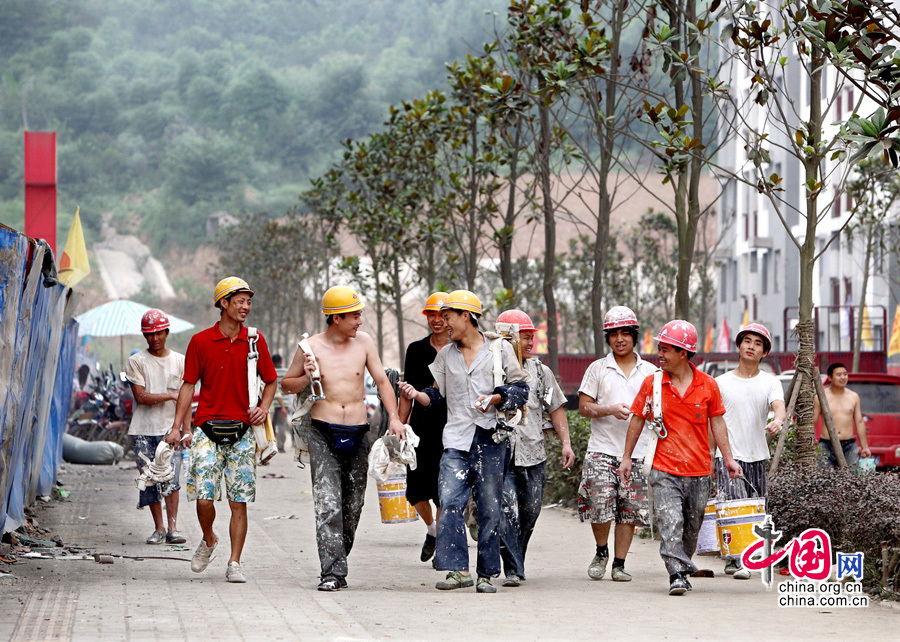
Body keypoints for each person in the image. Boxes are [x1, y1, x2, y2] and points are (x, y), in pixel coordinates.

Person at [398, 290, 529, 594]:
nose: (443, 324)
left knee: (488, 506)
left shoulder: (499, 351)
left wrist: (498, 397)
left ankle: (486, 573)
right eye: (441, 318)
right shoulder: (445, 356)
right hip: (455, 439)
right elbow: (436, 393)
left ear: (466, 316)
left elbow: (521, 389)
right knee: (450, 501)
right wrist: (417, 396)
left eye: (448, 317)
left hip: (490, 437)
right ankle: (457, 570)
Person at [282, 285, 405, 592]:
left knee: (352, 506)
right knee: (328, 505)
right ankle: (332, 573)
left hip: (359, 433)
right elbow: (287, 384)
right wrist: (308, 377)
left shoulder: (363, 343)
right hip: (323, 432)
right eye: (354, 316)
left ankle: (338, 554)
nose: (359, 321)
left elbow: (381, 381)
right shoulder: (309, 348)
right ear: (336, 318)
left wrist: (395, 418)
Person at [617, 320, 742, 596]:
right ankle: (676, 574)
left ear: (683, 353)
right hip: (664, 469)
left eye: (666, 350)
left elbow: (718, 424)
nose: (659, 355)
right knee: (670, 521)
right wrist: (627, 457)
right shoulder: (653, 384)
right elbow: (637, 420)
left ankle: (683, 566)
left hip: (698, 471)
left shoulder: (708, 385)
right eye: (659, 349)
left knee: (691, 525)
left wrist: (728, 459)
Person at [167, 276, 277, 584]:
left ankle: (234, 562)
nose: (246, 306)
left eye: (249, 301)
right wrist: (177, 427)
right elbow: (188, 385)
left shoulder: (255, 341)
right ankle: (210, 538)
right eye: (239, 301)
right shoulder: (200, 342)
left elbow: (271, 380)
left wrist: (263, 408)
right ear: (223, 304)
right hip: (205, 429)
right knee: (204, 498)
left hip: (243, 432)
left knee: (238, 500)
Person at [576, 306, 657, 582]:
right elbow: (584, 407)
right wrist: (609, 409)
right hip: (601, 448)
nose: (619, 339)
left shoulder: (651, 372)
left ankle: (619, 563)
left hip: (638, 452)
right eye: (614, 334)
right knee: (599, 502)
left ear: (635, 336)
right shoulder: (598, 368)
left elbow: (660, 409)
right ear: (608, 338)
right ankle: (601, 551)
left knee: (629, 508)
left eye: (625, 333)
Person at [495, 309, 574, 587]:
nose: (530, 343)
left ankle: (517, 558)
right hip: (500, 453)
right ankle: (513, 569)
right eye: (525, 337)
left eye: (532, 337)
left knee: (529, 512)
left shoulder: (541, 372)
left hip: (533, 454)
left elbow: (556, 408)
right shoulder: (492, 368)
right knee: (507, 511)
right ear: (508, 338)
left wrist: (566, 444)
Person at [715, 323, 786, 579]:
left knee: (756, 508)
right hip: (728, 455)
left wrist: (777, 420)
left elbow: (779, 406)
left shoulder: (770, 381)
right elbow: (713, 421)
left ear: (764, 352)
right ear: (738, 346)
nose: (751, 346)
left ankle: (747, 557)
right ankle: (735, 559)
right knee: (731, 505)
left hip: (757, 454)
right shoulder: (720, 382)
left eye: (758, 343)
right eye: (747, 341)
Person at [126, 309, 188, 545]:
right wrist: (172, 396)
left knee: (171, 480)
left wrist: (185, 430)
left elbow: (187, 399)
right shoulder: (136, 362)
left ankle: (173, 527)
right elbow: (141, 397)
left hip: (171, 429)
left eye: (158, 333)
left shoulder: (181, 361)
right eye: (149, 334)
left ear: (166, 332)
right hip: (143, 430)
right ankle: (159, 528)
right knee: (149, 479)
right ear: (144, 336)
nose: (154, 338)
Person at [398, 292, 451, 564]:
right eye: (431, 315)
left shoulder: (460, 347)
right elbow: (407, 392)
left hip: (452, 427)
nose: (437, 320)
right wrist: (399, 424)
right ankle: (432, 529)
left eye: (442, 315)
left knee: (443, 490)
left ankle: (441, 543)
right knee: (416, 491)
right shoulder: (416, 350)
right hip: (421, 427)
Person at [813, 362, 871, 468]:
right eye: (839, 375)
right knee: (825, 479)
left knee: (850, 478)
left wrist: (865, 447)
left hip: (849, 445)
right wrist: (810, 443)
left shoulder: (854, 397)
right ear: (830, 377)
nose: (843, 377)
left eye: (845, 374)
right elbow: (813, 421)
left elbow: (859, 422)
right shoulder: (820, 397)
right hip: (826, 444)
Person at [270, 354, 292, 453]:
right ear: (281, 361)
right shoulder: (285, 372)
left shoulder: (270, 371)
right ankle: (281, 446)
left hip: (270, 402)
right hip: (284, 403)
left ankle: (271, 446)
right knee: (281, 424)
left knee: (271, 426)